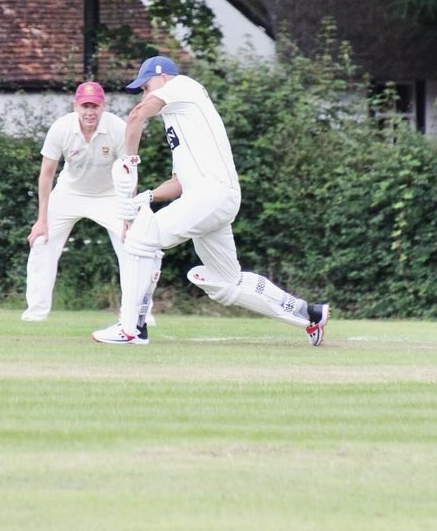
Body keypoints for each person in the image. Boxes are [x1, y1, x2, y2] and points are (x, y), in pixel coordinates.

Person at [91, 55, 330, 346]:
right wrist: (148, 197)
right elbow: (178, 183)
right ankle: (310, 314)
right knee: (223, 282)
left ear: (163, 78)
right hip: (210, 199)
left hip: (212, 194)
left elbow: (137, 116)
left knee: (141, 238)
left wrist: (129, 160)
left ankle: (131, 329)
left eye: (146, 85)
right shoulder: (181, 120)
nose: (144, 92)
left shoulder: (183, 86)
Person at [23, 81, 152, 322]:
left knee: (133, 244)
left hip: (110, 195)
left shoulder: (117, 128)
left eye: (95, 106)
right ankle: (35, 314)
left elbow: (129, 173)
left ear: (104, 106)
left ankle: (138, 313)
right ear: (76, 106)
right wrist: (41, 220)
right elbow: (46, 174)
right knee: (41, 241)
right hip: (70, 192)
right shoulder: (61, 128)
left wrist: (128, 215)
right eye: (85, 106)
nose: (89, 112)